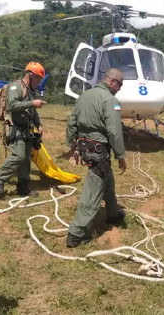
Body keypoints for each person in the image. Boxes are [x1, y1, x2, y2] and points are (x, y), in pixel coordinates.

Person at [65, 68, 127, 248]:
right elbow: (114, 132)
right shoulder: (111, 101)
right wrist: (121, 155)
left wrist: (72, 145)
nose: (120, 89)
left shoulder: (83, 96)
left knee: (107, 179)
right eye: (120, 85)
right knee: (93, 191)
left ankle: (113, 214)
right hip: (99, 151)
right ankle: (76, 233)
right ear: (112, 82)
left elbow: (72, 122)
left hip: (85, 148)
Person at [0, 62, 47, 199]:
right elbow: (12, 105)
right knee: (19, 156)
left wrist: (38, 124)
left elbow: (32, 111)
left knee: (26, 159)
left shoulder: (29, 90)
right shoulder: (16, 87)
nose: (38, 83)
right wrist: (32, 103)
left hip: (26, 129)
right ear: (30, 75)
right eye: (38, 79)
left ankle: (23, 187)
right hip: (15, 129)